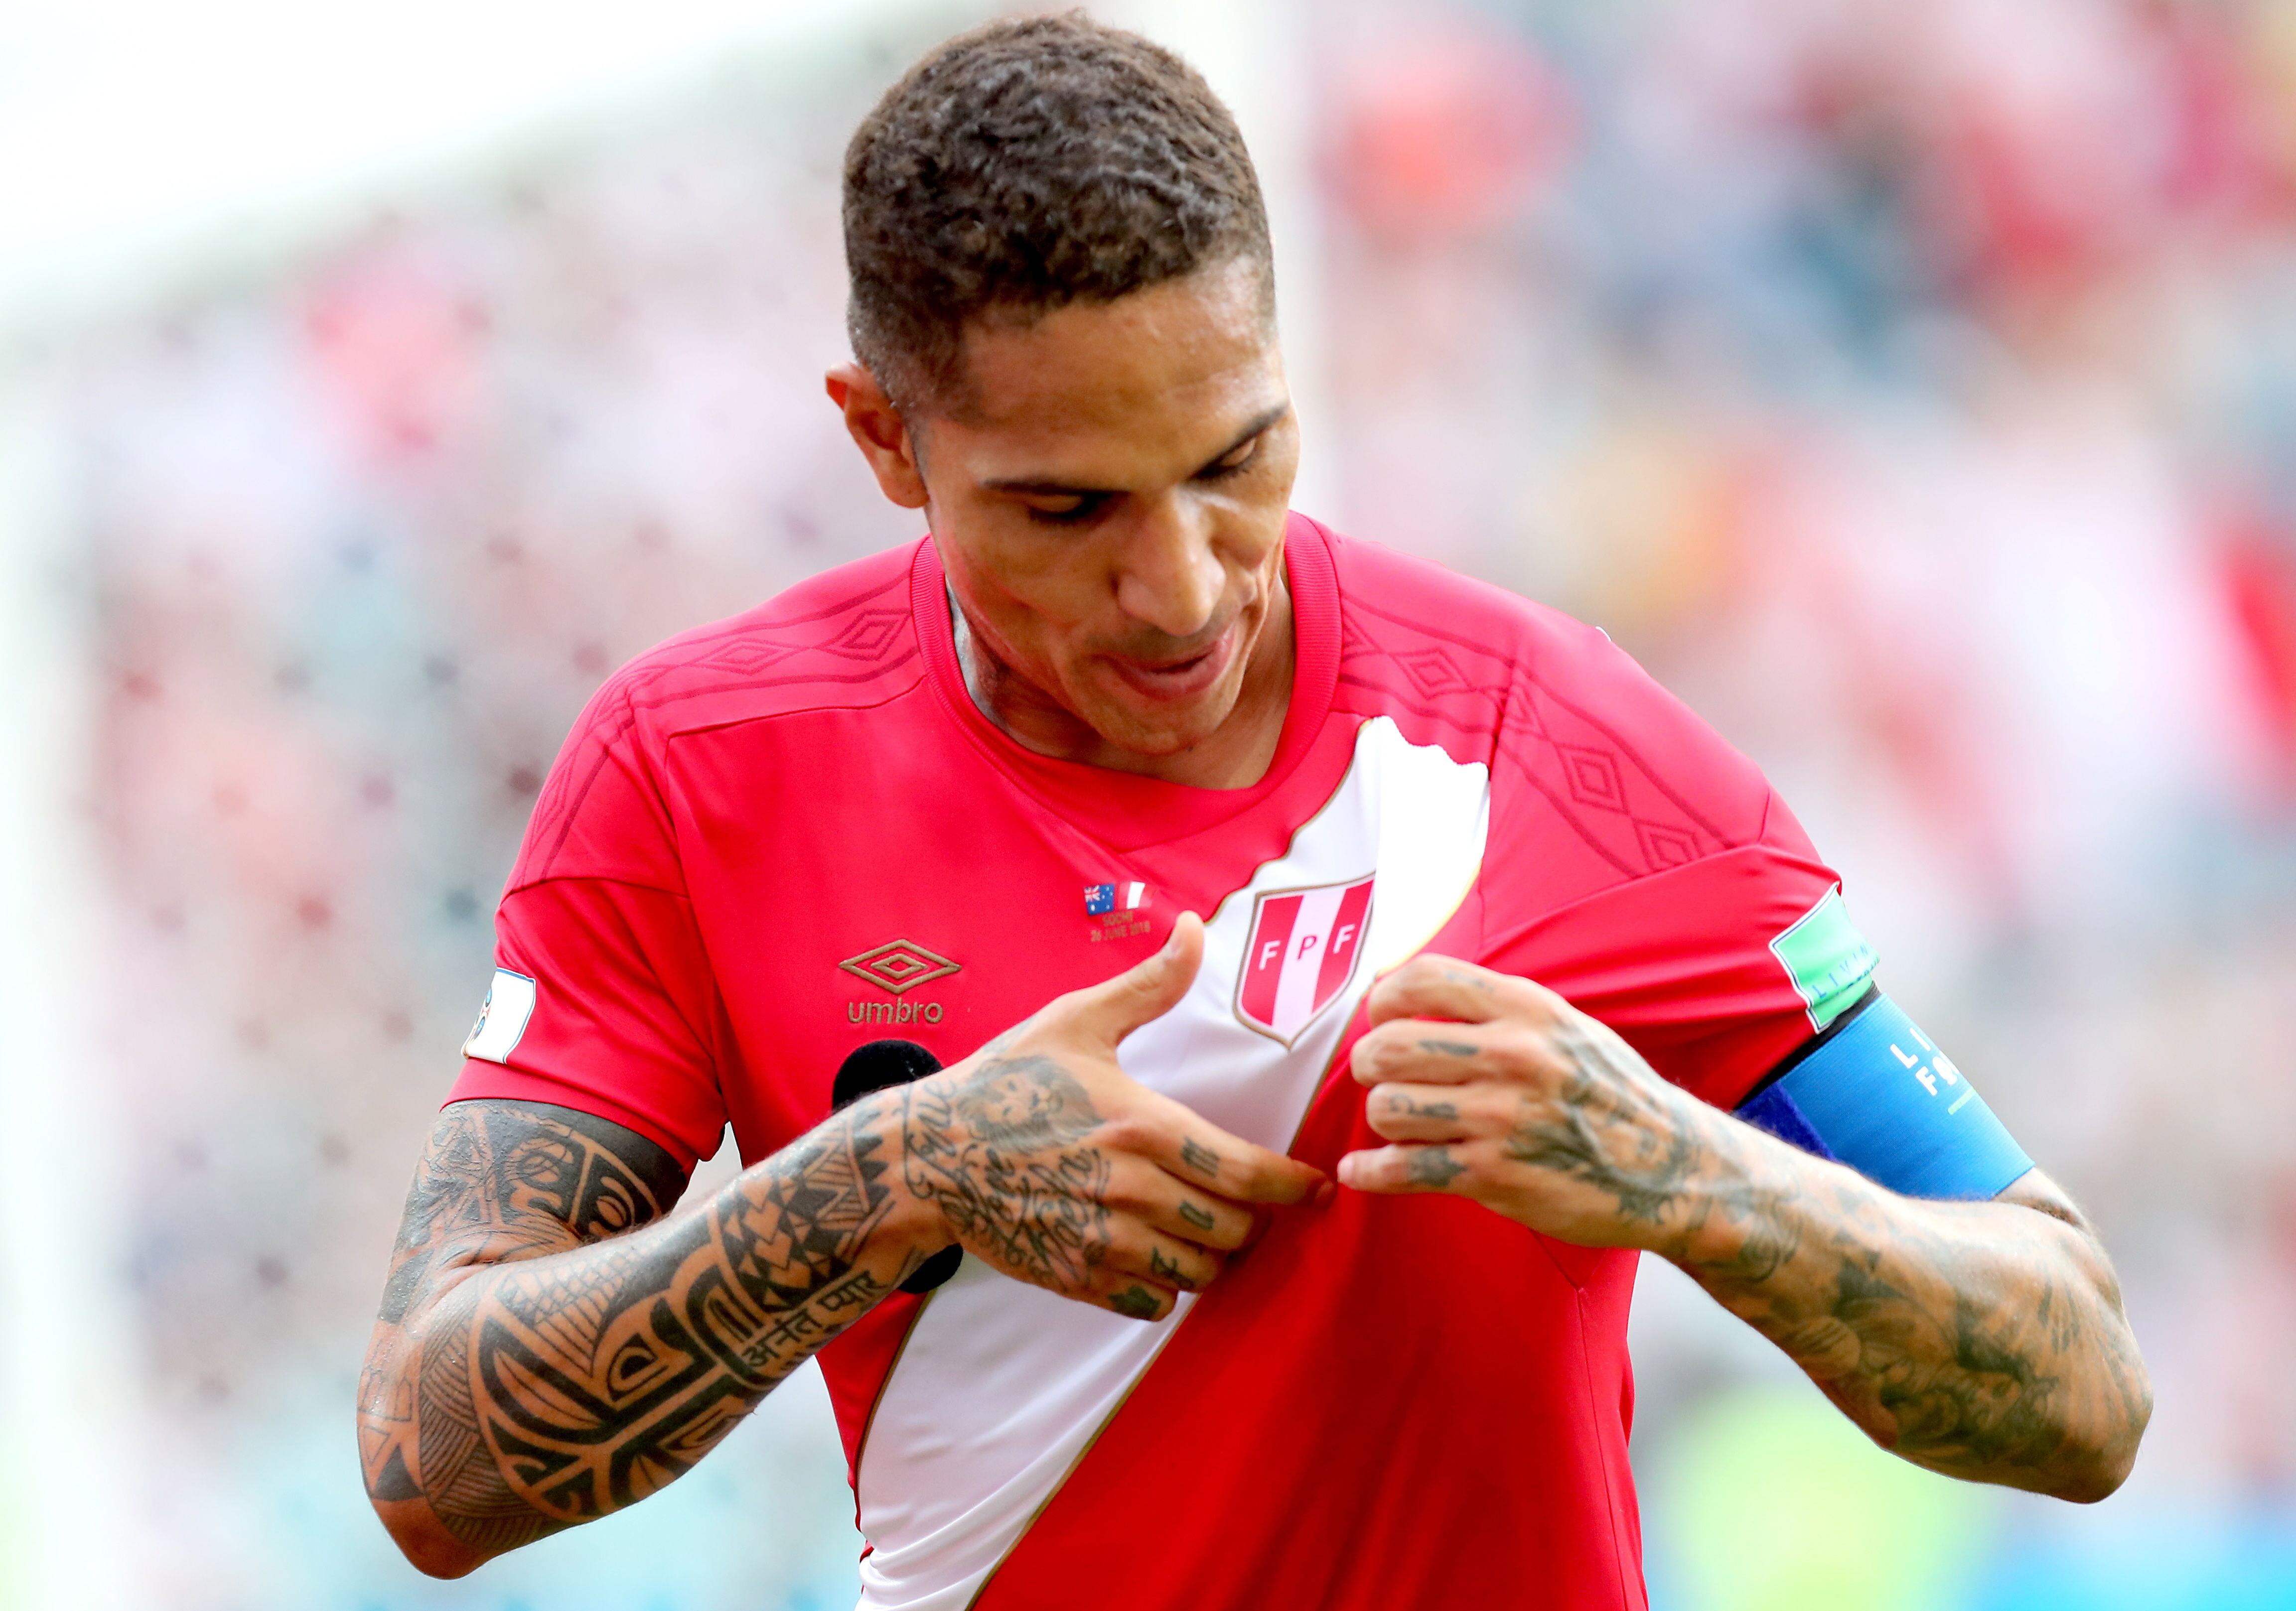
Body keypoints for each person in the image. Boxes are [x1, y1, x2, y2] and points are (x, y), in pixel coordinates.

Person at [357, 15, 2151, 1608]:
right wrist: (889, 1179)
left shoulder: (1560, 741)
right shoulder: (698, 768)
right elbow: (430, 1464)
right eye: (1067, 510)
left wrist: (1683, 1170)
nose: (1182, 587)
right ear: (884, 441)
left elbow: (2083, 1387)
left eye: (1235, 463)